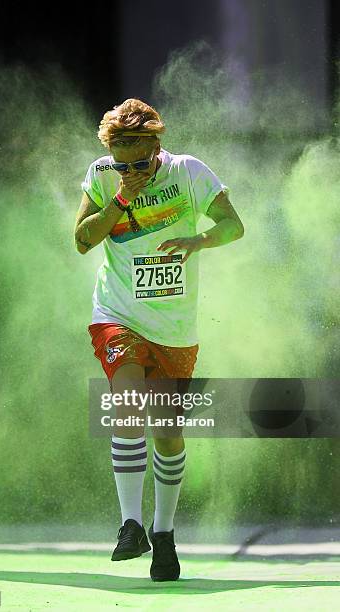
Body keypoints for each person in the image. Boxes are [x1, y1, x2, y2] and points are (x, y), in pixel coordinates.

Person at [75, 98, 244, 581]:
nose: (130, 167)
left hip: (174, 327)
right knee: (127, 401)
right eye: (120, 158)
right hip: (117, 313)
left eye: (139, 158)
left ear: (157, 144)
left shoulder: (189, 172)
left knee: (168, 434)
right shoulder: (103, 176)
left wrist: (201, 240)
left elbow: (234, 224)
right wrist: (122, 197)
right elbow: (83, 239)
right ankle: (130, 524)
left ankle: (163, 534)